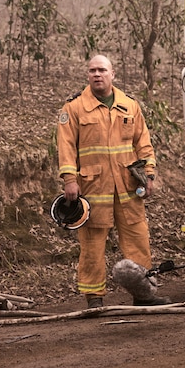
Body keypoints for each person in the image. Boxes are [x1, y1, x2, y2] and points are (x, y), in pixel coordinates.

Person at [57, 55, 169, 309]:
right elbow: (65, 148)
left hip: (128, 188)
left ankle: (144, 294)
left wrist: (149, 173)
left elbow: (144, 144)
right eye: (92, 70)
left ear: (112, 74)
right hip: (93, 189)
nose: (97, 74)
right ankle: (94, 297)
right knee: (92, 244)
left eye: (102, 70)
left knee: (138, 239)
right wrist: (69, 179)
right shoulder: (74, 108)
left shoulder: (129, 105)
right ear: (88, 75)